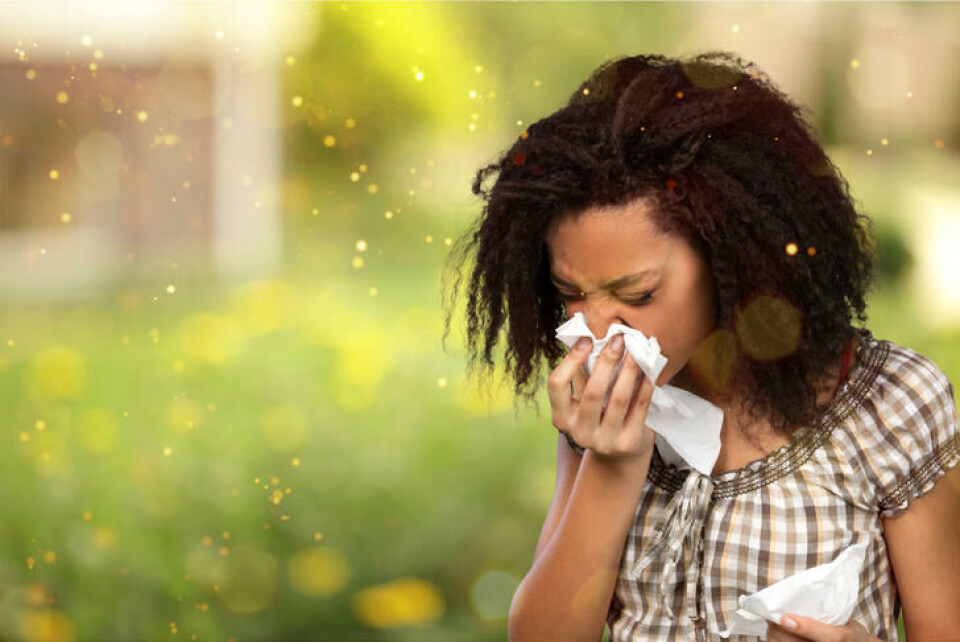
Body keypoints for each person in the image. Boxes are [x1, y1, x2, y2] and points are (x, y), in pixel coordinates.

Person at [442, 52, 960, 641]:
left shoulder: (888, 404)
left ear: (733, 261)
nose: (600, 329)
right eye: (570, 294)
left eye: (636, 294)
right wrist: (613, 463)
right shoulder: (602, 412)